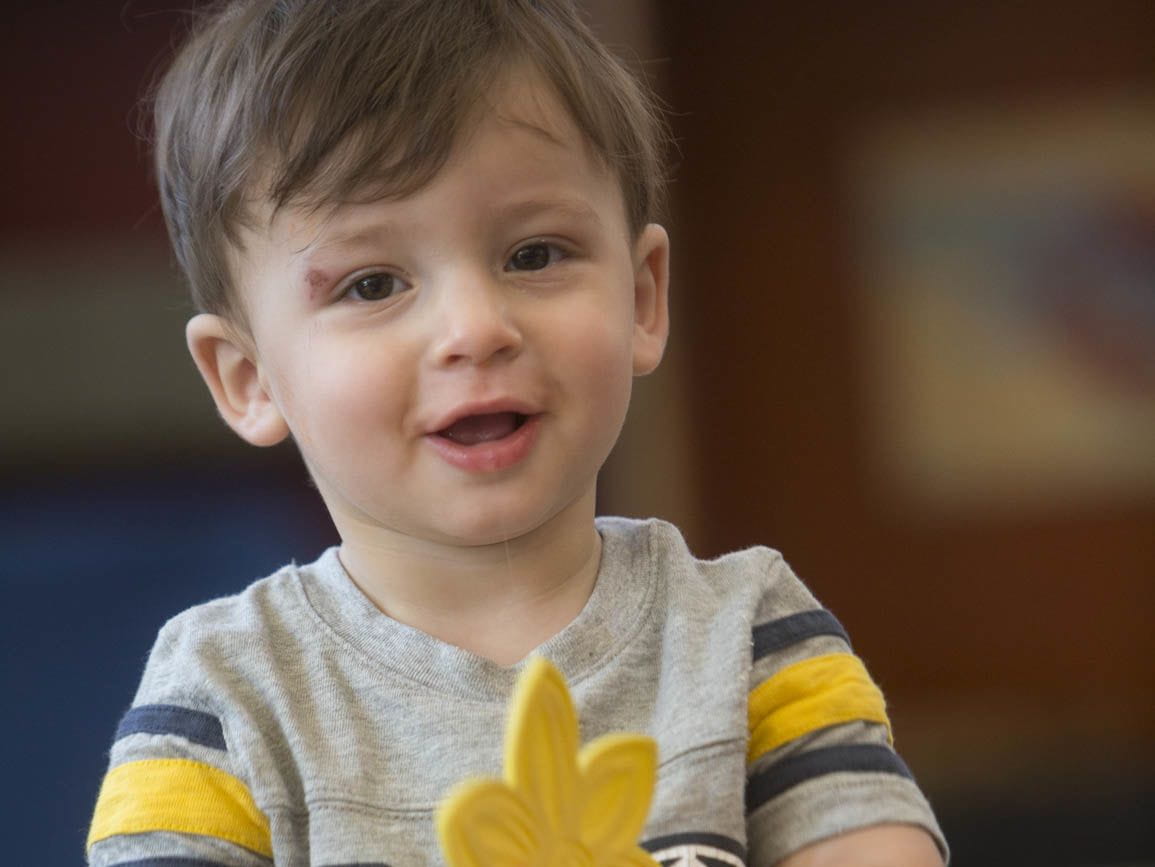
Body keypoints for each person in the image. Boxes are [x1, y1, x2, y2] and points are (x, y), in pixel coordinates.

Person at [87, 1, 948, 865]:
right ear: (249, 378)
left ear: (642, 298)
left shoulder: (745, 631)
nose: (475, 326)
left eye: (533, 255)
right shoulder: (226, 689)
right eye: (372, 283)